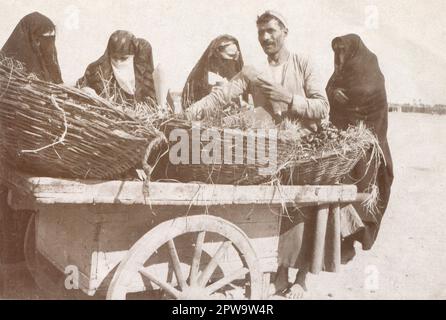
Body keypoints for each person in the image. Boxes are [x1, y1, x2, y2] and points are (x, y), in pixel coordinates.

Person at [187, 11, 329, 299]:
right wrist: (188, 114)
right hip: (265, 149)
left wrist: (289, 99)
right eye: (261, 32)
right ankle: (277, 273)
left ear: (285, 31)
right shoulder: (253, 72)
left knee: (302, 210)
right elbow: (222, 95)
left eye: (271, 31)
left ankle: (300, 279)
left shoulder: (303, 64)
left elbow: (322, 107)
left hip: (301, 148)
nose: (265, 37)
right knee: (270, 210)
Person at [1, 12, 63, 267]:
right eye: (42, 39)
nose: (47, 44)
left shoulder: (47, 63)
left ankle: (27, 259)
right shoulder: (8, 65)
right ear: (29, 37)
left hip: (37, 148)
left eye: (51, 39)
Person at [326, 34, 394, 260]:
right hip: (344, 139)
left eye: (343, 51)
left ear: (354, 50)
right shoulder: (341, 72)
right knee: (336, 187)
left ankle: (356, 238)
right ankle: (341, 240)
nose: (340, 56)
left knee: (361, 192)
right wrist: (333, 94)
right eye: (337, 52)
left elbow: (366, 94)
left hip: (367, 143)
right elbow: (330, 88)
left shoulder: (369, 67)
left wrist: (345, 99)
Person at [77, 30, 157, 105]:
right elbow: (81, 87)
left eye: (124, 58)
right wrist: (86, 90)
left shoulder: (141, 71)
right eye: (115, 58)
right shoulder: (97, 70)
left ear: (133, 56)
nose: (118, 62)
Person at [182, 35, 245, 108]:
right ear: (216, 54)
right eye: (231, 56)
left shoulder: (235, 72)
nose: (234, 60)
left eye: (236, 56)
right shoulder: (200, 77)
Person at [1, 11, 63, 83]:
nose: (49, 44)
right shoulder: (9, 67)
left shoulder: (47, 65)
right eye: (44, 37)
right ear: (31, 38)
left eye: (51, 37)